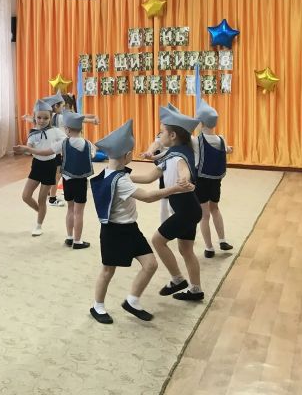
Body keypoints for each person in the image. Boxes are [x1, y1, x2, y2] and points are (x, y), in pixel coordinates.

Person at [89, 120, 193, 324]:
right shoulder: (120, 180)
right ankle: (97, 306)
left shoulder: (114, 173)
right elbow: (147, 197)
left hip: (131, 229)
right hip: (113, 232)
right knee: (108, 270)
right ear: (128, 155)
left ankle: (132, 301)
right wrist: (175, 188)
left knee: (150, 264)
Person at [132, 105, 204, 302]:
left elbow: (184, 170)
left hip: (186, 210)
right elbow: (148, 177)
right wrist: (124, 176)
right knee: (186, 250)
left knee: (157, 240)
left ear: (172, 136)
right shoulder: (172, 153)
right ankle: (196, 290)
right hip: (189, 208)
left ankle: (177, 279)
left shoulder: (179, 156)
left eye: (162, 132)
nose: (159, 135)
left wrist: (184, 179)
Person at [15, 110, 94, 248]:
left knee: (70, 209)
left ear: (67, 129)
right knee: (79, 212)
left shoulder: (63, 143)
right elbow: (92, 155)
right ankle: (77, 241)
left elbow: (45, 152)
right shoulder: (88, 144)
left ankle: (69, 238)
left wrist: (28, 150)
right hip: (80, 182)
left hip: (67, 181)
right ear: (81, 129)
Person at [13, 99, 65, 236]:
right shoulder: (33, 133)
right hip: (36, 166)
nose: (42, 121)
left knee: (42, 198)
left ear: (51, 117)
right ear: (34, 117)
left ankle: (39, 225)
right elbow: (30, 149)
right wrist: (23, 150)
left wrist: (59, 148)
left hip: (50, 166)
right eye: (39, 117)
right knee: (25, 196)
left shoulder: (55, 131)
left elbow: (66, 140)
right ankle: (41, 211)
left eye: (46, 118)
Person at [194, 100, 234, 258]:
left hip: (201, 181)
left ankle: (209, 248)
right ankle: (222, 240)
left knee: (204, 215)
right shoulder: (221, 139)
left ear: (201, 123)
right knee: (215, 209)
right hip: (216, 181)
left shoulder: (196, 141)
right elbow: (226, 149)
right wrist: (229, 149)